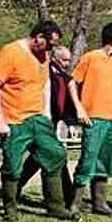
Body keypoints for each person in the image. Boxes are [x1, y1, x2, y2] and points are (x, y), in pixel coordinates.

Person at [0, 21, 74, 221]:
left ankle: (55, 206)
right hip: (14, 119)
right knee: (13, 164)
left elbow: (45, 82)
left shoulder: (43, 56)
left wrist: (46, 113)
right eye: (50, 44)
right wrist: (1, 121)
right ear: (38, 37)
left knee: (54, 154)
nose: (51, 49)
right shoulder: (10, 52)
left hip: (37, 118)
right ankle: (10, 209)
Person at [66, 22, 112, 217]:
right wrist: (79, 109)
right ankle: (74, 203)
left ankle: (100, 203)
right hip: (94, 119)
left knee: (107, 161)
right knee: (88, 160)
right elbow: (72, 82)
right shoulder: (91, 58)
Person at [15, 45, 77, 204]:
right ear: (54, 59)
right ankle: (68, 198)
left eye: (69, 60)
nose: (67, 63)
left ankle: (16, 188)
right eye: (64, 60)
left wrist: (70, 123)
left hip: (55, 122)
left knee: (37, 158)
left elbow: (68, 102)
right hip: (41, 121)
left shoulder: (64, 76)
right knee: (55, 156)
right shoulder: (45, 74)